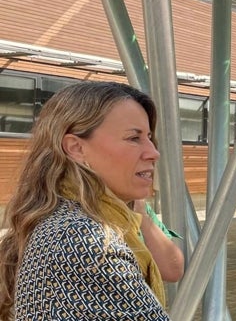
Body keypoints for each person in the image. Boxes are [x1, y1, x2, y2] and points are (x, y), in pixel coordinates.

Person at [0, 81, 177, 320]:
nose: (153, 152)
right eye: (134, 138)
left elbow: (173, 269)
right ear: (76, 148)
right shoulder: (83, 238)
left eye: (148, 137)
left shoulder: (69, 221)